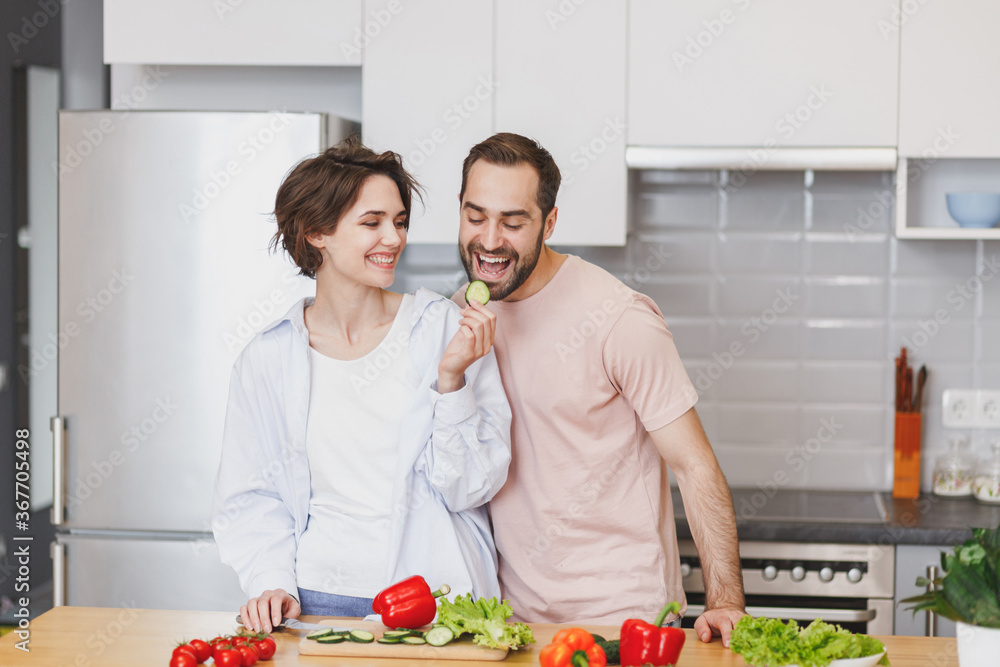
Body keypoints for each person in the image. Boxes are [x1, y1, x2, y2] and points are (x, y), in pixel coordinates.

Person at [451, 133, 746, 645]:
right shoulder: (465, 313)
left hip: (624, 620)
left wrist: (725, 601)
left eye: (513, 222)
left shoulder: (619, 318)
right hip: (514, 625)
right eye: (476, 217)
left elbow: (694, 466)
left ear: (550, 222)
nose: (491, 240)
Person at [212, 138, 511, 634]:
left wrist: (452, 381)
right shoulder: (268, 358)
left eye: (398, 222)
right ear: (317, 233)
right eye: (371, 223)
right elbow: (251, 495)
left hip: (431, 605)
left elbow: (470, 488)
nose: (392, 238)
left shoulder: (443, 329)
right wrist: (270, 581)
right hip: (314, 605)